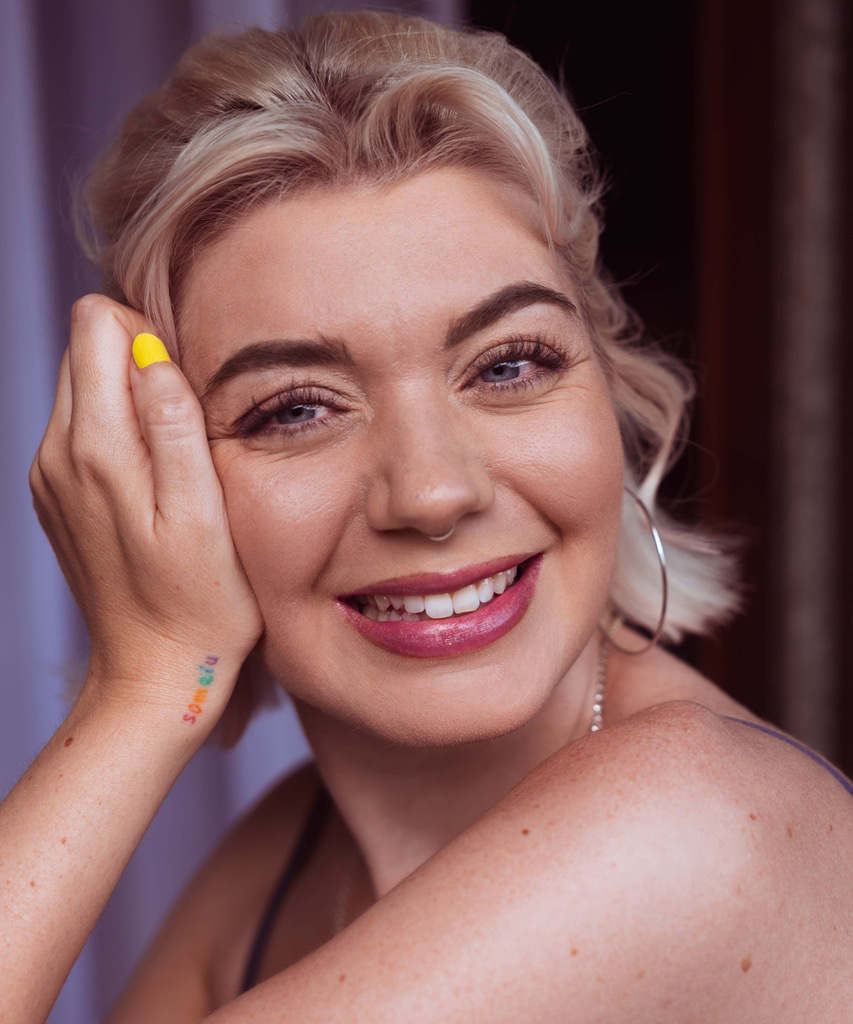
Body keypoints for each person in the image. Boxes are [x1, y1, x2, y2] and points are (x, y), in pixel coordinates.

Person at [5, 9, 852, 1022]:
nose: (433, 492)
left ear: (610, 394)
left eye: (508, 364)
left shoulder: (692, 821)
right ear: (159, 475)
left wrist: (145, 689)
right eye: (296, 409)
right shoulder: (280, 858)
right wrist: (147, 684)